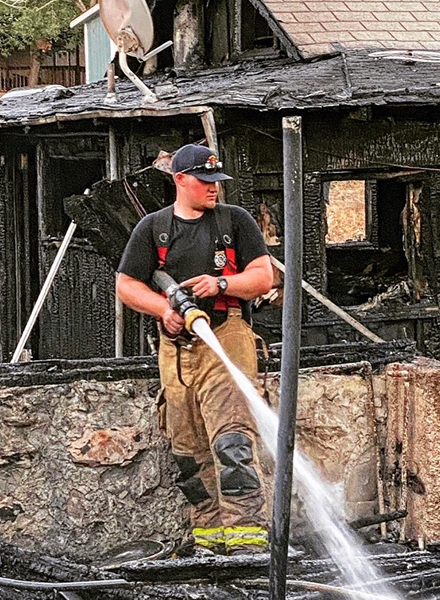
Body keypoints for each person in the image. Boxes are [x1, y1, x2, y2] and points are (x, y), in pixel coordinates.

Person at [116, 144, 273, 556]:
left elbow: (263, 276)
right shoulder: (154, 229)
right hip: (176, 350)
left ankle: (247, 545)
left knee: (233, 445)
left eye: (217, 182)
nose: (213, 189)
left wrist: (221, 284)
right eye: (205, 182)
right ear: (180, 180)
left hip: (227, 336)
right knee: (188, 453)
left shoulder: (234, 222)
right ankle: (210, 543)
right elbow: (127, 285)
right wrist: (163, 308)